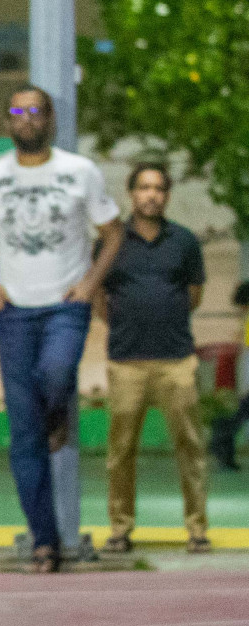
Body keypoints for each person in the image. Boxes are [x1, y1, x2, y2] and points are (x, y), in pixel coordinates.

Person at [0, 86, 123, 572]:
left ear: (51, 119)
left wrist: (90, 283)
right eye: (18, 111)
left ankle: (58, 409)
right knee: (24, 434)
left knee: (56, 374)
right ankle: (45, 540)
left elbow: (113, 233)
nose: (27, 119)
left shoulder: (80, 172)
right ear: (7, 121)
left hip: (64, 306)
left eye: (36, 111)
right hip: (13, 313)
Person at [97, 163, 209, 554]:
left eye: (158, 188)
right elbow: (98, 296)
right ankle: (120, 528)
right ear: (131, 194)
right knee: (121, 452)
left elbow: (194, 295)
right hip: (125, 362)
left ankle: (197, 529)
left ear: (167, 195)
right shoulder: (111, 242)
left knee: (190, 448)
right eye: (143, 187)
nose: (151, 195)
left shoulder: (185, 241)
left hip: (177, 361)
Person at [209, 280, 249, 470]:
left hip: (243, 383)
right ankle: (222, 451)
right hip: (241, 382)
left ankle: (220, 448)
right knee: (233, 418)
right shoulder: (246, 321)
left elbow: (244, 352)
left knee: (232, 418)